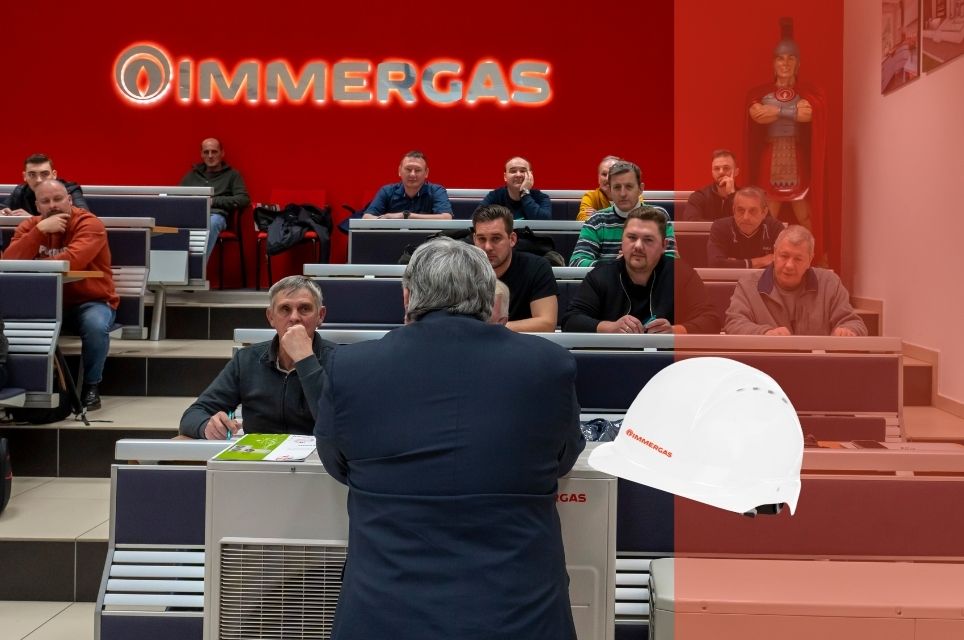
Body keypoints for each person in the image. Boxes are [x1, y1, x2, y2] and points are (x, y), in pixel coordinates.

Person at [314, 237, 584, 640]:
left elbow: (337, 462)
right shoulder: (548, 365)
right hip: (519, 611)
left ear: (407, 297)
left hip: (384, 612)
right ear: (489, 298)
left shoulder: (349, 367)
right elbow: (563, 458)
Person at [2, 181, 118, 410]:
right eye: (45, 201)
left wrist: (34, 263)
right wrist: (39, 232)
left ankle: (91, 386)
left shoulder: (89, 224)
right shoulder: (30, 226)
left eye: (58, 199)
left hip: (89, 301)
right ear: (37, 206)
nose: (53, 205)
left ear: (70, 200)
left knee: (96, 326)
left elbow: (71, 262)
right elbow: (9, 262)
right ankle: (26, 386)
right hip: (44, 304)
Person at [179, 275, 334, 439]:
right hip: (257, 452)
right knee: (180, 442)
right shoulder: (247, 359)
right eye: (285, 309)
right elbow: (193, 415)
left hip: (320, 452)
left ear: (320, 315)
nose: (294, 317)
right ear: (271, 317)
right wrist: (207, 426)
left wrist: (305, 360)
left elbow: (340, 421)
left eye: (304, 309)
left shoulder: (339, 360)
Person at [562, 206, 719, 334]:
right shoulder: (600, 276)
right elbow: (571, 320)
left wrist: (674, 331)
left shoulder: (682, 274)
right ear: (622, 241)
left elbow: (711, 320)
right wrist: (610, 328)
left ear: (664, 246)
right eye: (631, 237)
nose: (638, 246)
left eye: (648, 239)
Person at [746, 18, 828, 257]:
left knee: (805, 214)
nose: (785, 63)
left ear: (798, 64)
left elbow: (809, 114)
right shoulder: (761, 94)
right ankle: (762, 257)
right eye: (781, 58)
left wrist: (776, 110)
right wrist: (791, 110)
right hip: (771, 155)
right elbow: (758, 116)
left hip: (795, 156)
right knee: (767, 214)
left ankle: (816, 256)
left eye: (791, 58)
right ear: (773, 63)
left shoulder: (807, 95)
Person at [725, 226, 867, 336]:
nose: (789, 265)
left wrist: (848, 330)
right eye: (784, 256)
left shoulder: (830, 283)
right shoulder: (748, 285)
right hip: (769, 361)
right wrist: (765, 333)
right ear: (774, 254)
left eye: (798, 259)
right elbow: (734, 323)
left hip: (817, 362)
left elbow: (854, 323)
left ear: (810, 260)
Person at [569, 161, 675, 267]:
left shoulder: (659, 216)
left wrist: (639, 263)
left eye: (629, 186)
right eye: (617, 187)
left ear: (641, 189)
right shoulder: (596, 220)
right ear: (610, 189)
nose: (623, 193)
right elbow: (576, 263)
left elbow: (673, 262)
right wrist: (615, 266)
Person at [472, 204, 557, 332]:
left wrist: (489, 330)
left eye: (496, 238)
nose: (488, 247)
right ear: (474, 239)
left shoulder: (537, 267)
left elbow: (546, 323)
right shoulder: (462, 270)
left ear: (512, 239)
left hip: (522, 343)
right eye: (481, 239)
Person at [178, 138, 251, 260]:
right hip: (191, 216)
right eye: (206, 152)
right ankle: (176, 267)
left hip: (215, 216)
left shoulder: (232, 175)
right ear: (201, 154)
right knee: (170, 222)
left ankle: (197, 268)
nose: (210, 156)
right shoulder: (192, 175)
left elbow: (244, 199)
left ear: (222, 153)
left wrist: (213, 201)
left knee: (212, 222)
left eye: (214, 151)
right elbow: (176, 196)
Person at [707, 186, 785, 268]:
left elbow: (784, 261)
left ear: (764, 212)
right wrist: (759, 262)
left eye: (753, 211)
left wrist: (735, 263)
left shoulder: (775, 228)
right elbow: (715, 263)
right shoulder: (720, 227)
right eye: (740, 210)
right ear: (733, 210)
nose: (746, 217)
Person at [362, 150, 453, 219]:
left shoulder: (437, 191)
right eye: (408, 169)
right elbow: (367, 217)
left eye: (417, 170)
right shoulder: (386, 191)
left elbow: (446, 217)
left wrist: (405, 216)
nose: (412, 174)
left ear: (426, 173)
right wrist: (386, 219)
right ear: (399, 171)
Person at [1, 153, 88, 217]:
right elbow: (2, 209)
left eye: (45, 174)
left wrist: (31, 220)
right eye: (32, 175)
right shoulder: (20, 192)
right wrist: (3, 213)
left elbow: (84, 217)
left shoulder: (70, 190)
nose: (39, 180)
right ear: (24, 176)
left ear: (54, 175)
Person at [479, 156, 551, 220]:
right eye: (513, 171)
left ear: (530, 175)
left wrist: (524, 193)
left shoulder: (541, 198)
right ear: (505, 177)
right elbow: (478, 219)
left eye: (523, 171)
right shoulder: (495, 196)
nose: (518, 175)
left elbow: (543, 222)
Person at [682, 149, 740, 222]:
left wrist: (732, 195)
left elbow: (744, 222)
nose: (721, 172)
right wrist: (721, 226)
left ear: (736, 172)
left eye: (726, 168)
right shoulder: (699, 196)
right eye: (716, 168)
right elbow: (691, 221)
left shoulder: (746, 198)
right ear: (712, 172)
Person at [577, 155, 621, 221]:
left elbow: (635, 217)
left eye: (612, 174)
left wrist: (598, 215)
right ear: (598, 178)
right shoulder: (591, 197)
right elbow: (582, 218)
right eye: (604, 174)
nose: (607, 178)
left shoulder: (631, 195)